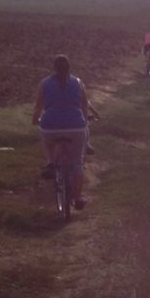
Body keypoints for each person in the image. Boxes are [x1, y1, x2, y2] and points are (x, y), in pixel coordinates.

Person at [33, 53, 95, 209]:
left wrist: (35, 120)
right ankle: (78, 198)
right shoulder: (78, 82)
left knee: (47, 140)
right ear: (69, 68)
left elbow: (38, 107)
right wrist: (84, 121)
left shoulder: (44, 83)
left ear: (54, 68)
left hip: (50, 127)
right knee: (77, 163)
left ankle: (50, 163)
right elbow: (84, 105)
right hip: (76, 128)